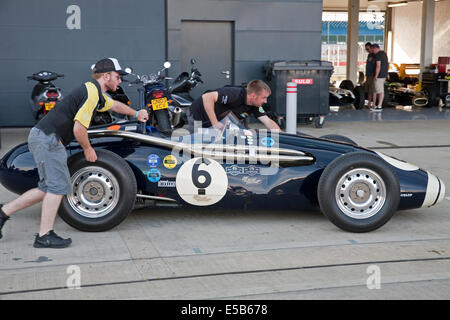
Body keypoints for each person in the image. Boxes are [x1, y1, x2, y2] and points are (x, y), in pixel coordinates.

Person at [0, 58, 149, 248]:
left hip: (45, 137)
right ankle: (44, 235)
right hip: (49, 139)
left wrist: (136, 114)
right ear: (106, 76)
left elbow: (113, 105)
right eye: (118, 77)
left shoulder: (94, 90)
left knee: (47, 187)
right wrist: (88, 149)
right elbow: (79, 129)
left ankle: (3, 212)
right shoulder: (91, 94)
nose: (120, 81)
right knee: (57, 187)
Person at [187, 80, 281, 133]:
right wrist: (215, 123)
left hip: (219, 119)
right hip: (198, 115)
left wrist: (282, 136)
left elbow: (267, 121)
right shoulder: (234, 94)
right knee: (199, 144)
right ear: (253, 95)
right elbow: (207, 97)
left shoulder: (255, 104)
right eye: (264, 98)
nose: (265, 101)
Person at [371, 44, 389, 111]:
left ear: (375, 48)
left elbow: (378, 66)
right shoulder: (384, 53)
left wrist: (376, 76)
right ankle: (378, 105)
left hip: (379, 76)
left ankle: (379, 106)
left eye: (373, 50)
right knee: (379, 90)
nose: (373, 52)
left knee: (380, 91)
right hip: (384, 75)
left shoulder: (378, 55)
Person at [364, 42, 376, 108]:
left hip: (372, 75)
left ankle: (373, 104)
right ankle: (369, 103)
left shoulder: (374, 55)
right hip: (368, 75)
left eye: (368, 49)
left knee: (372, 89)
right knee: (368, 90)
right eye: (366, 50)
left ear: (371, 48)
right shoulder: (369, 55)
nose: (367, 51)